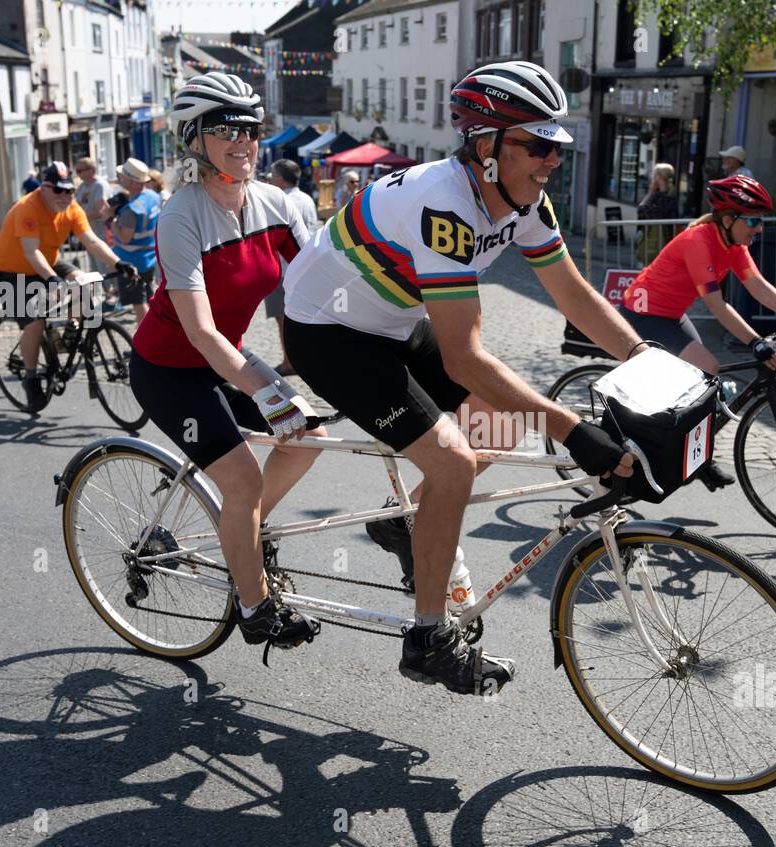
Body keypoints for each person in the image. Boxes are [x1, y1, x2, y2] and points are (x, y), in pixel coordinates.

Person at [281, 60, 647, 696]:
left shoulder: (521, 199)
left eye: (557, 146)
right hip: (327, 331)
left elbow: (574, 295)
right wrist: (574, 432)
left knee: (506, 422)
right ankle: (427, 640)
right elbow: (464, 359)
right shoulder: (443, 205)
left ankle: (406, 524)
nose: (551, 160)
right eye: (537, 145)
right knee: (453, 462)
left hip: (391, 322)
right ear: (486, 147)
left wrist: (650, 367)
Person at [128, 73, 323, 653]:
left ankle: (243, 532)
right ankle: (254, 604)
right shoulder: (180, 215)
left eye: (251, 129)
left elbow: (318, 277)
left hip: (226, 358)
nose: (243, 141)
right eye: (225, 129)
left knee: (308, 437)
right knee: (242, 478)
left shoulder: (275, 203)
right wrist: (265, 387)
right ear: (194, 138)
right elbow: (201, 331)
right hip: (169, 369)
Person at [619, 174, 776, 490]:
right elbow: (717, 306)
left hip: (671, 316)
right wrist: (755, 342)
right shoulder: (698, 242)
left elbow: (757, 285)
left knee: (702, 383)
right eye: (754, 221)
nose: (759, 229)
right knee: (707, 368)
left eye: (762, 222)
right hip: (643, 314)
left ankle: (688, 455)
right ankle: (661, 448)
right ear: (728, 218)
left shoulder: (733, 243)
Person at [0, 161, 138, 410]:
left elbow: (91, 240)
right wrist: (52, 280)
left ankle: (72, 326)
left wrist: (119, 263)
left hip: (48, 262)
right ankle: (31, 377)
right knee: (35, 321)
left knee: (85, 283)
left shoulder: (71, 207)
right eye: (58, 190)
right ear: (43, 188)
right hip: (11, 272)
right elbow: (30, 251)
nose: (65, 195)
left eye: (69, 190)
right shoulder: (28, 207)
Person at [263, 158, 321, 376]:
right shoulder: (306, 198)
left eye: (272, 175)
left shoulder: (278, 200)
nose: (269, 179)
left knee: (284, 320)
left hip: (284, 268)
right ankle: (300, 360)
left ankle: (289, 361)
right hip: (305, 266)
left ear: (280, 178)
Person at [109, 158, 162, 325]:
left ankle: (145, 345)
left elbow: (125, 238)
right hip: (149, 257)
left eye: (123, 177)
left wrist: (112, 222)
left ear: (131, 181)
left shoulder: (131, 209)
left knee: (139, 303)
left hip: (131, 262)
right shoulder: (153, 196)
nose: (120, 179)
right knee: (148, 299)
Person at [636, 162, 678, 265]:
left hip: (656, 237)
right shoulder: (672, 194)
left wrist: (650, 192)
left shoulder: (659, 196)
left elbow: (642, 210)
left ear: (658, 177)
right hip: (666, 237)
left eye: (654, 175)